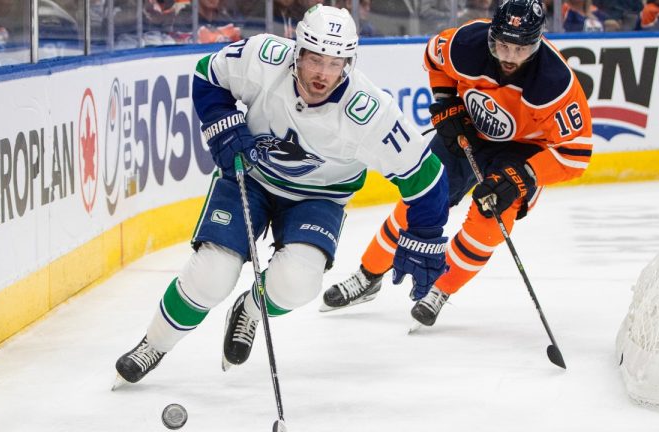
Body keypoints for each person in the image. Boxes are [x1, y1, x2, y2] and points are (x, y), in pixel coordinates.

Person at [113, 4, 450, 386]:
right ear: (298, 51)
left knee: (297, 284)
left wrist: (425, 237)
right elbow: (208, 74)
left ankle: (251, 310)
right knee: (211, 274)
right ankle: (154, 343)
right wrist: (224, 128)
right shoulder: (263, 57)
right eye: (315, 59)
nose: (323, 73)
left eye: (335, 62)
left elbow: (426, 178)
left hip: (319, 198)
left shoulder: (370, 112)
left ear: (349, 63)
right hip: (252, 177)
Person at [321, 0, 593, 328]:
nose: (508, 57)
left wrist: (524, 176)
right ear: (492, 34)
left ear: (536, 44)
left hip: (522, 151)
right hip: (469, 131)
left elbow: (575, 155)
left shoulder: (554, 83)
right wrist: (447, 102)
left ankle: (441, 288)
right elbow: (434, 58)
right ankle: (368, 275)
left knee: (490, 219)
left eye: (519, 50)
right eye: (503, 45)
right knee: (421, 201)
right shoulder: (467, 43)